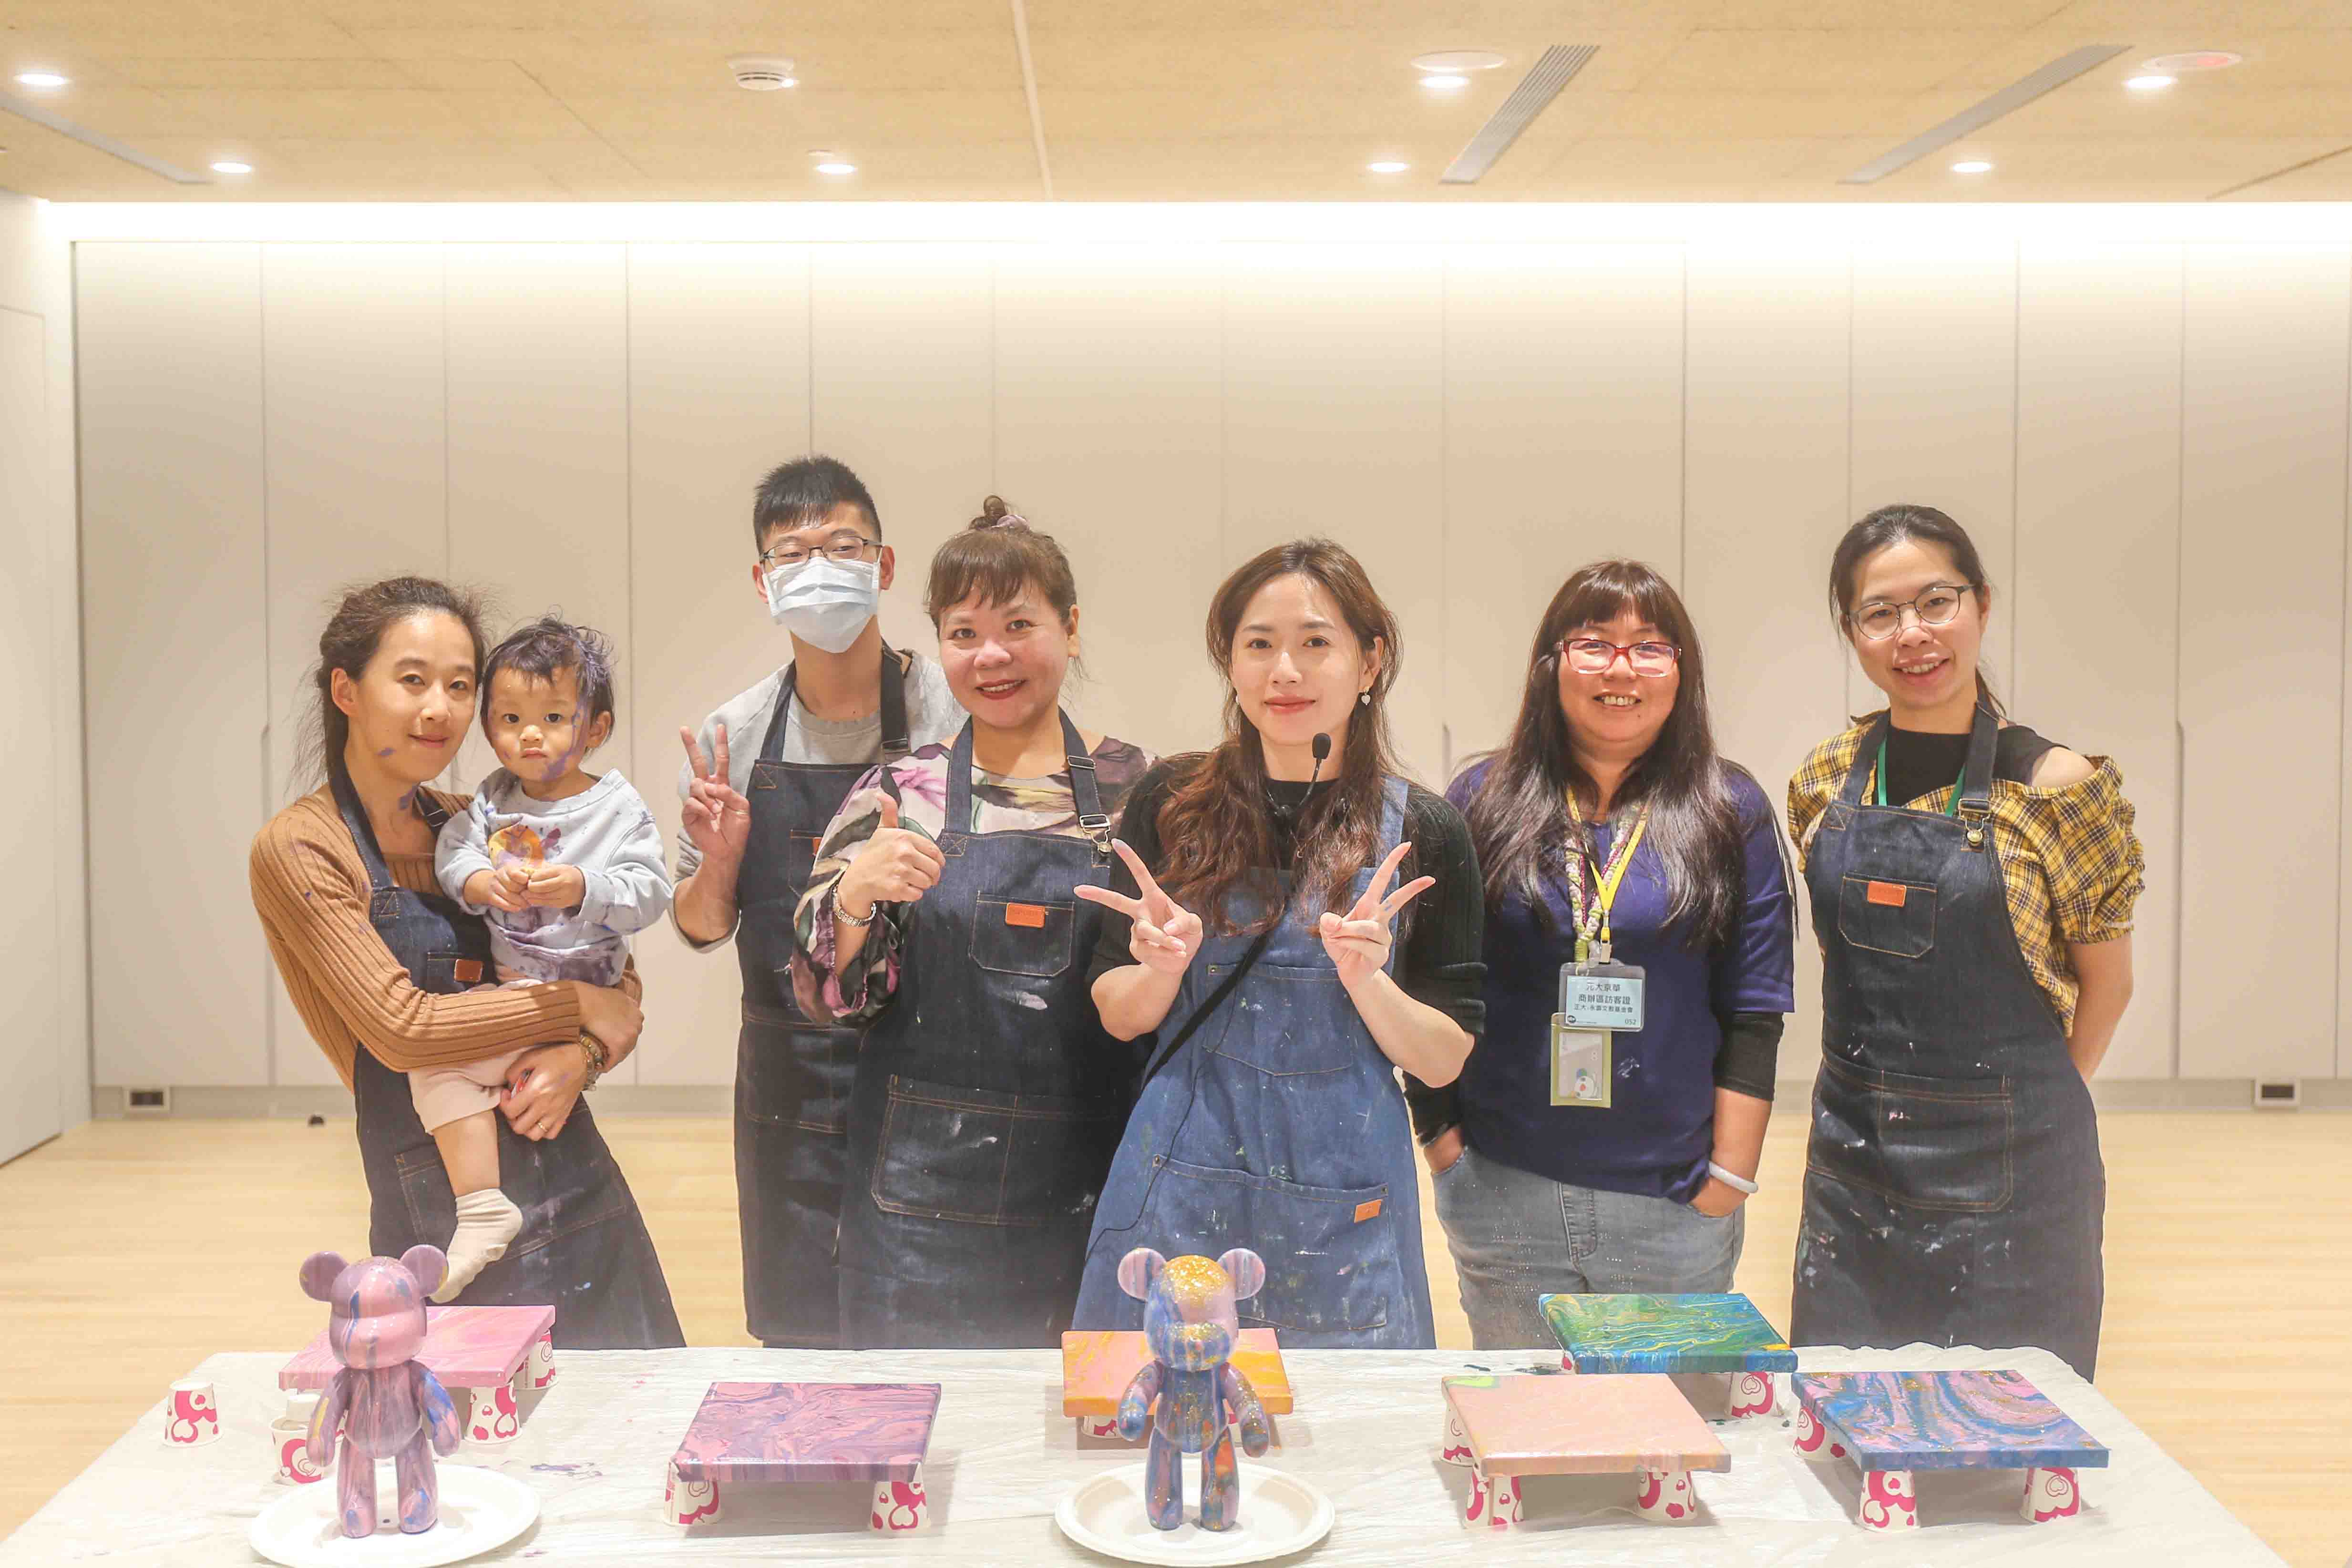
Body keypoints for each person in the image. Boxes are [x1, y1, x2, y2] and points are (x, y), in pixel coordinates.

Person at [1071, 539, 1483, 1349]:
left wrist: (1368, 982)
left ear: (1370, 662)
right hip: (1177, 1188)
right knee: (1161, 1411)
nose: (1284, 671)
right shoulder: (1171, 801)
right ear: (1230, 662)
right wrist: (1159, 971)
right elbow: (1119, 1014)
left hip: (1345, 1207)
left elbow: (1442, 1060)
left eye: (1315, 642)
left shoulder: (1426, 830)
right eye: (1258, 644)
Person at [250, 577, 682, 1346]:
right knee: (487, 1413)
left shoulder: (473, 824)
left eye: (458, 686)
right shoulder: (303, 847)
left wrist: (581, 1055)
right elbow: (405, 1030)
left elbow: (611, 975)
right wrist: (580, 1009)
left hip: (568, 1154)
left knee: (636, 1393)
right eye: (413, 680)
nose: (440, 709)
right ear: (347, 691)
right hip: (444, 1199)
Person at [1787, 503, 2142, 1380]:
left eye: (1935, 602)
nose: (1911, 633)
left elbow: (2108, 981)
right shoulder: (1825, 779)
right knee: (1850, 1417)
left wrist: (2030, 1104)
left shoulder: (2055, 786)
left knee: (2006, 1426)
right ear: (1852, 631)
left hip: (2014, 1176)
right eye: (1879, 613)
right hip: (1854, 1165)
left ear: (1980, 603)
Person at [795, 498, 1154, 1348]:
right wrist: (854, 898)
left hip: (1091, 1185)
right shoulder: (898, 793)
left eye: (1018, 625)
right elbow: (822, 996)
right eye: (963, 633)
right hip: (915, 1205)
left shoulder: (1140, 791)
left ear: (1071, 628)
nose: (991, 656)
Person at [1424, 560, 1795, 1349]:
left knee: (1663, 1422)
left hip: (1671, 1202)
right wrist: (1442, 1145)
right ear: (1551, 664)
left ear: (1681, 672)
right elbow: (1433, 985)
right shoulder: (1481, 800)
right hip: (1504, 1187)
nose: (1620, 668)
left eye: (1649, 647)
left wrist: (1728, 1179)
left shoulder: (1728, 808)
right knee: (1526, 1416)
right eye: (1593, 643)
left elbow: (1755, 1006)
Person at [671, 456, 962, 1350]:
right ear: (765, 583)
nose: (819, 568)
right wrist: (719, 861)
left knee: (929, 1328)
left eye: (842, 546)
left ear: (883, 565)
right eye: (793, 554)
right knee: (801, 1327)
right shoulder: (732, 734)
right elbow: (701, 925)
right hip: (789, 1077)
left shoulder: (952, 711)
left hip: (934, 1056)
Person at [421, 616, 671, 1302]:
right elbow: (454, 854)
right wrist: (481, 883)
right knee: (450, 1067)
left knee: (440, 1064)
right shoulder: (492, 800)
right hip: (517, 992)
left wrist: (585, 886)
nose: (529, 735)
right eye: (510, 719)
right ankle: (490, 1202)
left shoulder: (616, 807)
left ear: (595, 728)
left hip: (581, 989)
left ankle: (482, 1207)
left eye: (554, 718)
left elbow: (651, 892)